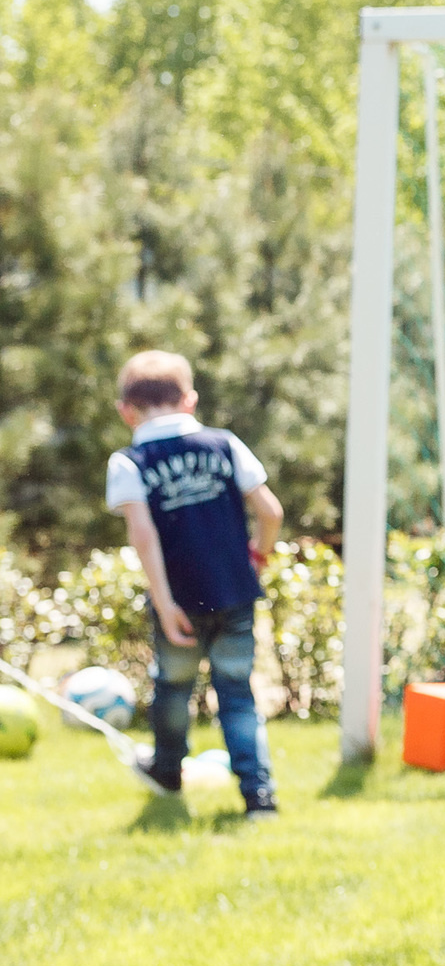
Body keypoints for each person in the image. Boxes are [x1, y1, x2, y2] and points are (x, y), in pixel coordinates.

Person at [106, 350, 283, 821]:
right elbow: (271, 512)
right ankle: (258, 797)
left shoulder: (130, 461)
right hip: (235, 592)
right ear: (190, 400)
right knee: (237, 694)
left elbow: (143, 535)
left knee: (173, 687)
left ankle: (167, 770)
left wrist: (163, 602)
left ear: (126, 411)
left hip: (179, 600)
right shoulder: (224, 444)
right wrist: (258, 555)